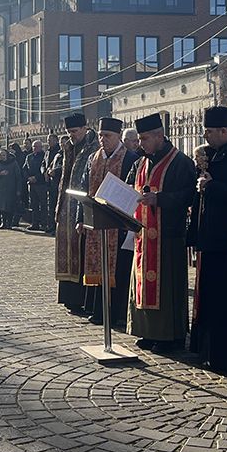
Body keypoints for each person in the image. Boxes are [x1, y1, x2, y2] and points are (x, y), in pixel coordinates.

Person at [185, 106, 227, 375]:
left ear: (226, 131)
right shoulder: (210, 155)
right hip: (208, 239)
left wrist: (211, 186)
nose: (206, 136)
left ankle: (225, 356)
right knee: (209, 300)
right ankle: (207, 352)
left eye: (210, 132)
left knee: (225, 301)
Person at [127, 112, 197, 354]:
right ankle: (147, 330)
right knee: (142, 284)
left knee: (168, 288)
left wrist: (160, 199)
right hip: (143, 236)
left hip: (168, 236)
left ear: (159, 135)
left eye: (145, 139)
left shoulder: (181, 162)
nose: (141, 144)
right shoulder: (142, 162)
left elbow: (190, 196)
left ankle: (171, 335)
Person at [80, 117, 141, 327]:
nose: (102, 139)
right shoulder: (92, 159)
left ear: (118, 137)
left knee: (119, 270)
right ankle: (99, 311)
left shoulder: (131, 158)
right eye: (100, 135)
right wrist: (82, 218)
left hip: (120, 224)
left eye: (107, 136)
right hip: (97, 221)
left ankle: (117, 313)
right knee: (99, 265)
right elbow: (85, 188)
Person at [55, 114, 99, 314]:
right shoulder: (68, 147)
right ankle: (69, 297)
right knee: (67, 248)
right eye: (68, 132)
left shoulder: (94, 147)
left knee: (81, 249)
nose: (71, 136)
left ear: (85, 128)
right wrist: (59, 205)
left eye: (74, 132)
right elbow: (64, 178)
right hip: (66, 205)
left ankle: (81, 297)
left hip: (83, 205)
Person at [0, 147, 23, 229]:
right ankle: (3, 222)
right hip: (0, 189)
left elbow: (18, 177)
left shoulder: (13, 163)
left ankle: (9, 223)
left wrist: (18, 189)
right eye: (1, 155)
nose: (2, 157)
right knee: (1, 207)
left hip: (11, 188)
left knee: (10, 206)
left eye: (4, 155)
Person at [24, 140, 49, 231]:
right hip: (31, 184)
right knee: (33, 205)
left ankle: (44, 223)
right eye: (34, 146)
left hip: (41, 184)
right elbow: (24, 169)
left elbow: (44, 169)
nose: (35, 148)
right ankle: (35, 223)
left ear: (41, 147)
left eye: (37, 146)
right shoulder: (29, 157)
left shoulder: (44, 156)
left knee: (43, 204)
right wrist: (28, 178)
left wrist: (36, 178)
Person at [44, 134, 63, 235]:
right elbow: (46, 164)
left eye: (50, 140)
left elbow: (63, 166)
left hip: (59, 182)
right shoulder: (50, 152)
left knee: (57, 205)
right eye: (48, 140)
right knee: (51, 206)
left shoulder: (62, 153)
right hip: (51, 183)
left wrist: (55, 171)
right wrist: (46, 171)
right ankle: (51, 226)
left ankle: (56, 227)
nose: (49, 142)